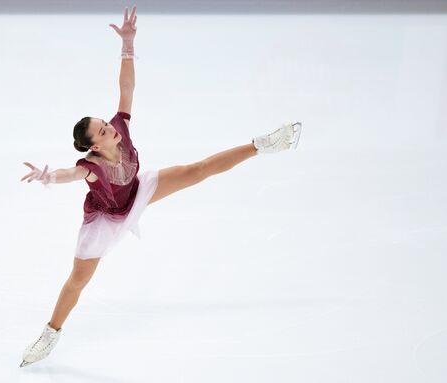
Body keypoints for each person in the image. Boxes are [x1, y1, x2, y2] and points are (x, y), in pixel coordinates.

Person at [18, 5, 302, 368]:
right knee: (78, 280)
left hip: (137, 189)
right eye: (103, 131)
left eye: (106, 123)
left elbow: (126, 87)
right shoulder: (90, 167)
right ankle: (50, 333)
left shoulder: (120, 127)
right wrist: (47, 176)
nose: (111, 128)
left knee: (197, 170)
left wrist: (128, 45)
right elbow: (69, 175)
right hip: (105, 219)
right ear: (94, 146)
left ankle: (264, 144)